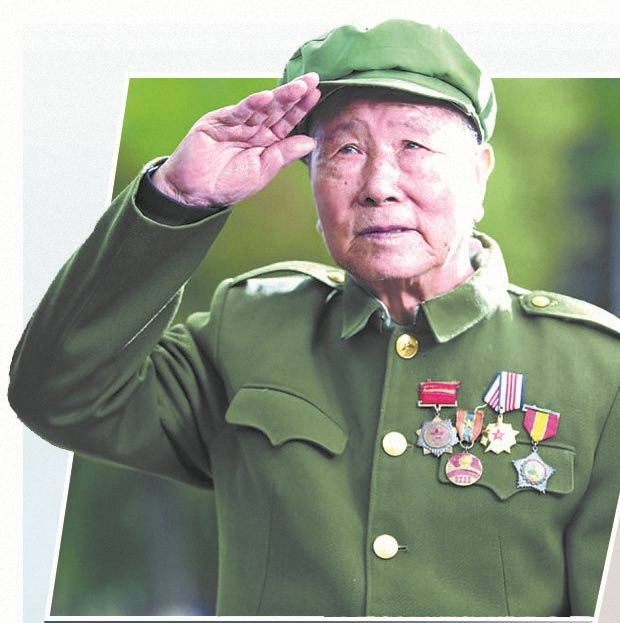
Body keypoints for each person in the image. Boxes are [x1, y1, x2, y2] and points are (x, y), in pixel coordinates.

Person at [8, 19, 620, 617]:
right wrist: (179, 200)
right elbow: (59, 395)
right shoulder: (247, 329)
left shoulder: (597, 371)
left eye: (413, 146)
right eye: (346, 149)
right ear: (311, 182)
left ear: (480, 171)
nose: (378, 185)